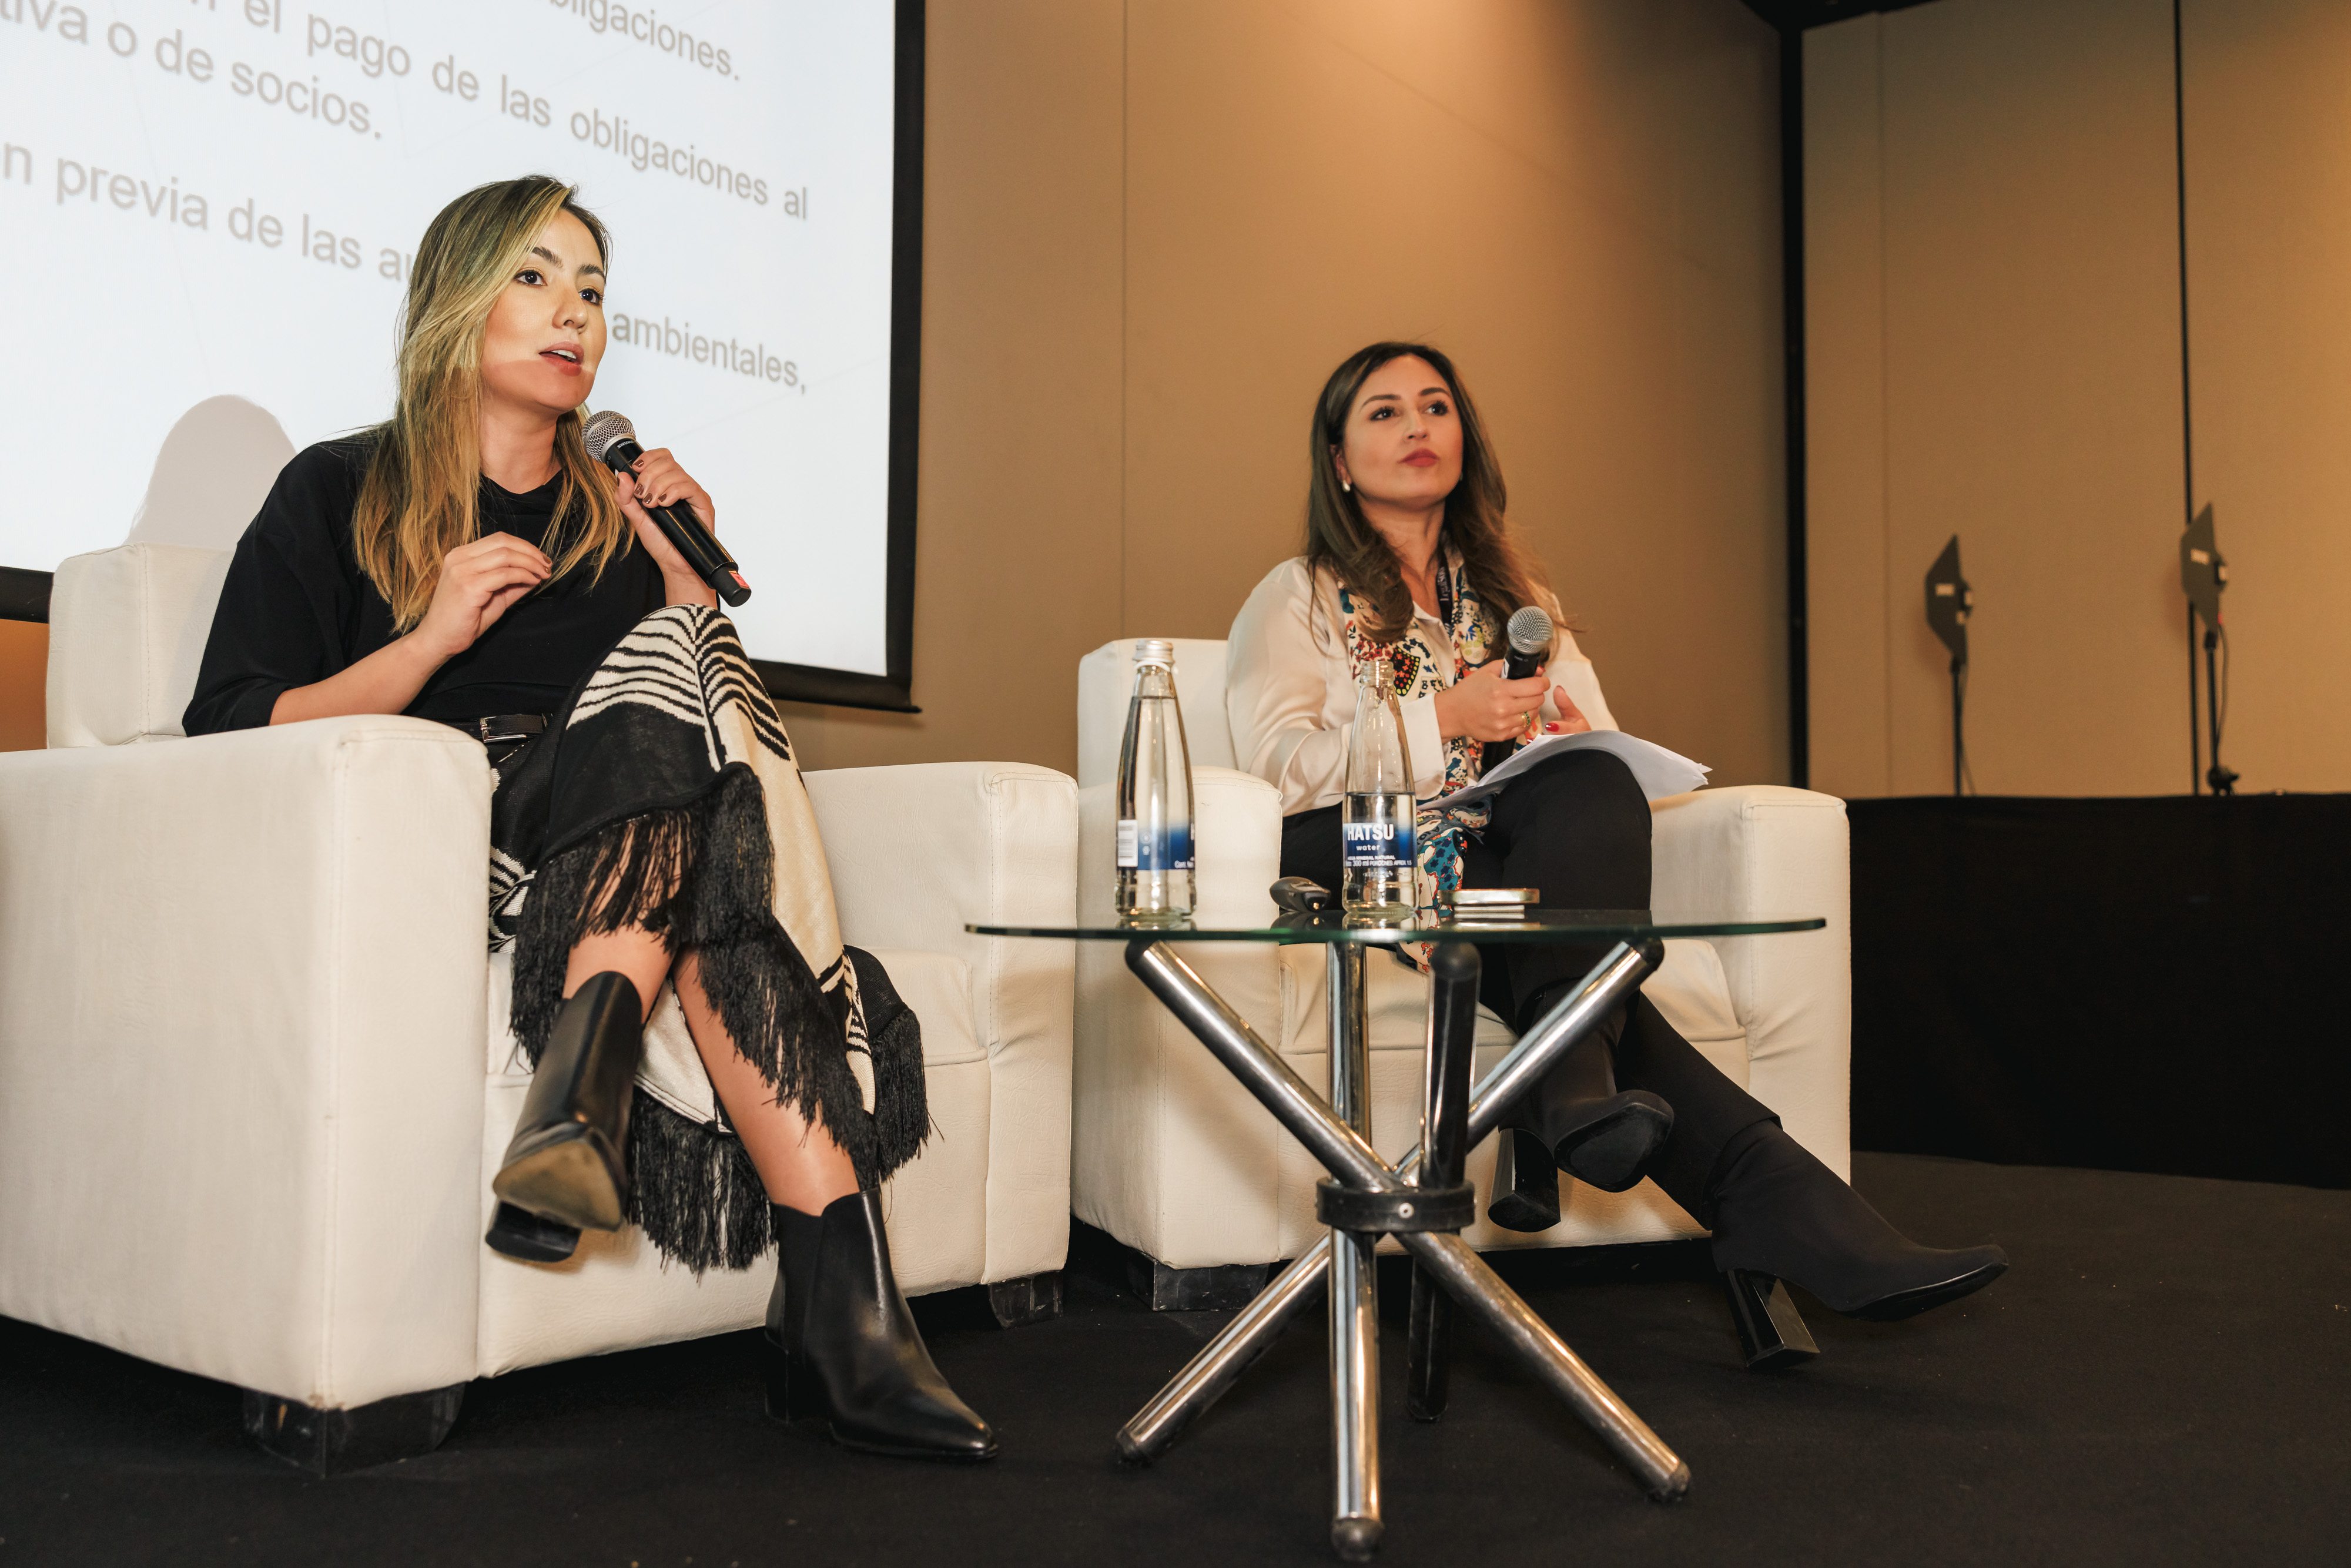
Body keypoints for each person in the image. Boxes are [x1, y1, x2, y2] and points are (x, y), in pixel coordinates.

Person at [183, 175, 993, 1461]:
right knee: (691, 770)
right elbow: (230, 726)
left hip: (627, 861)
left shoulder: (617, 525)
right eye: (536, 276)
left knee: (693, 743)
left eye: (594, 291)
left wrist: (681, 584)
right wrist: (431, 638)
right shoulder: (335, 488)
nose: (575, 313)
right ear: (457, 302)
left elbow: (702, 740)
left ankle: (597, 1104)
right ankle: (840, 1323)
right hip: (459, 850)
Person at [1224, 340, 2007, 1324]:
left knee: (1590, 779)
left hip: (1507, 859)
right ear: (1340, 461)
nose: (1418, 425)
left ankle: (1580, 1093)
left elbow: (1595, 739)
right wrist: (1446, 718)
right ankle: (1760, 1196)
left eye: (1436, 405)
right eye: (1385, 412)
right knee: (1559, 918)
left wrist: (1557, 734)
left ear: (1466, 438)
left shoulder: (1521, 604)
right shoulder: (1296, 594)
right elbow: (1274, 773)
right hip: (1362, 854)